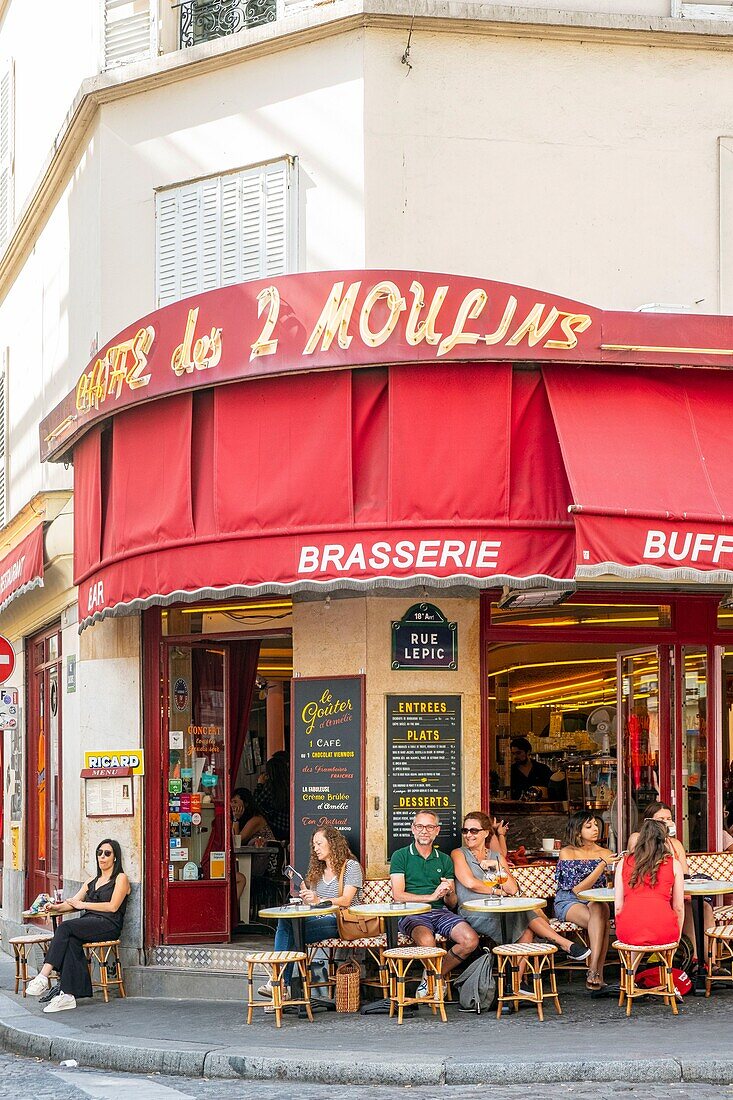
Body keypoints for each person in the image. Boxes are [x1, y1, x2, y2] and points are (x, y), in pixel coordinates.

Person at [452, 812, 590, 962]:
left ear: (485, 833)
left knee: (527, 931)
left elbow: (511, 889)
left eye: (473, 831)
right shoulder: (459, 853)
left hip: (500, 909)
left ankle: (517, 982)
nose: (468, 835)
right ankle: (565, 944)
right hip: (473, 911)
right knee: (524, 918)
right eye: (465, 831)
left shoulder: (496, 856)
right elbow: (470, 883)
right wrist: (498, 891)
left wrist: (497, 867)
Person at [24, 839, 131, 1013]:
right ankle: (68, 995)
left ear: (115, 858)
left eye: (107, 853)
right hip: (89, 923)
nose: (102, 857)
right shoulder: (92, 880)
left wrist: (84, 906)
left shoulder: (120, 878)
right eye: (99, 853)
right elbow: (73, 903)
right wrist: (55, 907)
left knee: (65, 928)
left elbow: (112, 907)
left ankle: (43, 976)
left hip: (109, 924)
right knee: (71, 940)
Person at [262, 825, 363, 999]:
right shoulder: (317, 871)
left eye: (318, 843)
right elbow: (315, 902)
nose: (315, 848)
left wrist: (319, 900)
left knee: (290, 930)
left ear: (332, 844)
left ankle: (278, 985)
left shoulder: (351, 867)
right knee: (287, 923)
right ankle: (280, 986)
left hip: (340, 920)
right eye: (313, 845)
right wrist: (307, 899)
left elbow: (346, 900)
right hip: (318, 918)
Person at [390, 811, 479, 997]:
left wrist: (449, 892)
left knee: (470, 940)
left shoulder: (445, 859)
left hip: (440, 912)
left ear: (436, 831)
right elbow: (398, 895)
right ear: (413, 829)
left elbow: (452, 903)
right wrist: (431, 897)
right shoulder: (400, 856)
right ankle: (433, 981)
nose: (425, 831)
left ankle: (432, 977)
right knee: (428, 941)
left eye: (430, 827)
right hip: (411, 913)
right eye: (420, 826)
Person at [628, 800, 712, 965]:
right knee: (682, 908)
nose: (667, 823)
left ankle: (706, 963)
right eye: (662, 819)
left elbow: (684, 874)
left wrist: (667, 841)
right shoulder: (637, 838)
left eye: (669, 818)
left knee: (703, 907)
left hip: (676, 892)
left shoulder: (676, 843)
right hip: (651, 894)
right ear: (649, 822)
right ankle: (689, 958)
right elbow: (636, 866)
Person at [555, 812, 615, 989]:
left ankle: (593, 970)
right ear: (577, 831)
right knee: (601, 921)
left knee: (601, 908)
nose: (595, 829)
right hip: (570, 900)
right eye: (589, 826)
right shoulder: (568, 852)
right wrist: (602, 865)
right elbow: (578, 889)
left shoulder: (605, 852)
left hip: (596, 900)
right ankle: (596, 971)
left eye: (596, 825)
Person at [615, 818, 684, 948]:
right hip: (664, 931)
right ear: (664, 839)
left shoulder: (624, 863)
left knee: (633, 941)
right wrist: (678, 935)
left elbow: (618, 906)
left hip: (628, 930)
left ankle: (631, 968)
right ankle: (666, 967)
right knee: (666, 944)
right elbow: (678, 907)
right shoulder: (674, 864)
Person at [230, 787, 275, 901]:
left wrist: (235, 819)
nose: (232, 805)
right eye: (230, 802)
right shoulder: (244, 819)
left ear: (246, 803)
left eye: (235, 802)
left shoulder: (256, 819)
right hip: (252, 860)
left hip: (267, 863)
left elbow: (237, 840)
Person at [253, 750, 290, 842]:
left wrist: (260, 784)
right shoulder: (290, 784)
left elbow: (256, 803)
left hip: (275, 827)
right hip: (289, 827)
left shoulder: (271, 785)